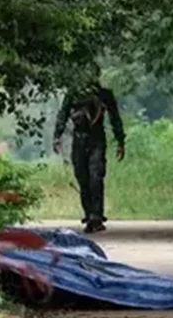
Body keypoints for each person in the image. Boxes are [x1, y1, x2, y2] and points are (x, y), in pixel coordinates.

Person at [53, 80, 126, 233]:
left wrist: (120, 140)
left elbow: (114, 117)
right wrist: (57, 136)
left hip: (96, 138)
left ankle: (96, 216)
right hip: (79, 138)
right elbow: (63, 114)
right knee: (82, 178)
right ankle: (89, 214)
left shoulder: (104, 94)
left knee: (96, 176)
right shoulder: (73, 94)